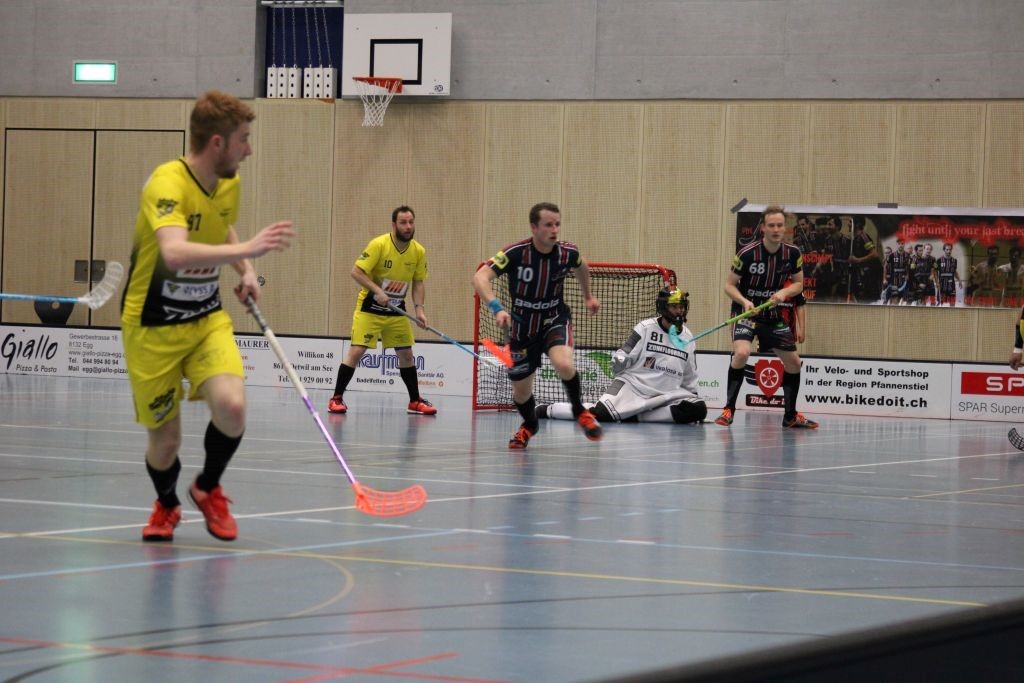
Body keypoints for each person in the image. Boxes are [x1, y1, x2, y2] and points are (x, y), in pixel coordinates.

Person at [121, 90, 296, 543]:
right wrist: (248, 249)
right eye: (244, 139)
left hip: (204, 320)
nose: (249, 150)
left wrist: (247, 269)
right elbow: (174, 252)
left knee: (232, 408)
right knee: (165, 443)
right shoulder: (166, 184)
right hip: (152, 327)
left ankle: (207, 487)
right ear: (217, 142)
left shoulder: (227, 182)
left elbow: (220, 225)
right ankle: (166, 503)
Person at [472, 202, 603, 448]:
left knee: (564, 364)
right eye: (548, 225)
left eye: (557, 224)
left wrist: (588, 296)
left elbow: (581, 266)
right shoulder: (515, 253)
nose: (554, 230)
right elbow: (480, 277)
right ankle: (530, 425)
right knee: (521, 393)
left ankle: (580, 411)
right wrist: (497, 308)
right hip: (522, 328)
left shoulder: (567, 253)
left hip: (555, 319)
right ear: (534, 227)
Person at [537, 287, 706, 425]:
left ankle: (634, 416)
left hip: (666, 394)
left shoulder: (688, 337)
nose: (679, 311)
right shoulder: (645, 328)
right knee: (600, 414)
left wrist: (692, 394)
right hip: (634, 387)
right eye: (675, 307)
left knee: (698, 409)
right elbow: (624, 353)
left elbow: (690, 374)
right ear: (663, 307)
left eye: (682, 307)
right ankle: (547, 410)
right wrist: (619, 360)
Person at [715, 205, 818, 429]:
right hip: (746, 313)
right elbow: (729, 286)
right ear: (763, 228)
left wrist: (784, 293)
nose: (776, 229)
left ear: (785, 227)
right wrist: (744, 301)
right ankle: (728, 409)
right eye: (771, 225)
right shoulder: (747, 253)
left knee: (794, 363)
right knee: (742, 353)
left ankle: (790, 416)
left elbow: (799, 285)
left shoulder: (792, 253)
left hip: (771, 315)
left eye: (780, 225)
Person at [327, 206, 437, 416]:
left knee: (406, 354)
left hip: (396, 310)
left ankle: (415, 402)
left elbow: (418, 282)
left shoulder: (418, 251)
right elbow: (356, 271)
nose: (408, 226)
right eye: (403, 222)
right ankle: (336, 398)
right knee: (357, 351)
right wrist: (377, 290)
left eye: (411, 222)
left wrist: (420, 311)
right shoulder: (379, 244)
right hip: (370, 308)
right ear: (394, 225)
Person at [935, 242, 961, 307]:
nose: (949, 251)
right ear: (944, 250)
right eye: (947, 249)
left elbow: (954, 272)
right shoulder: (939, 260)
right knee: (940, 302)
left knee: (952, 302)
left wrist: (959, 280)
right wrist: (937, 282)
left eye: (950, 249)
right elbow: (935, 272)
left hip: (951, 284)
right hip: (942, 284)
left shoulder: (954, 260)